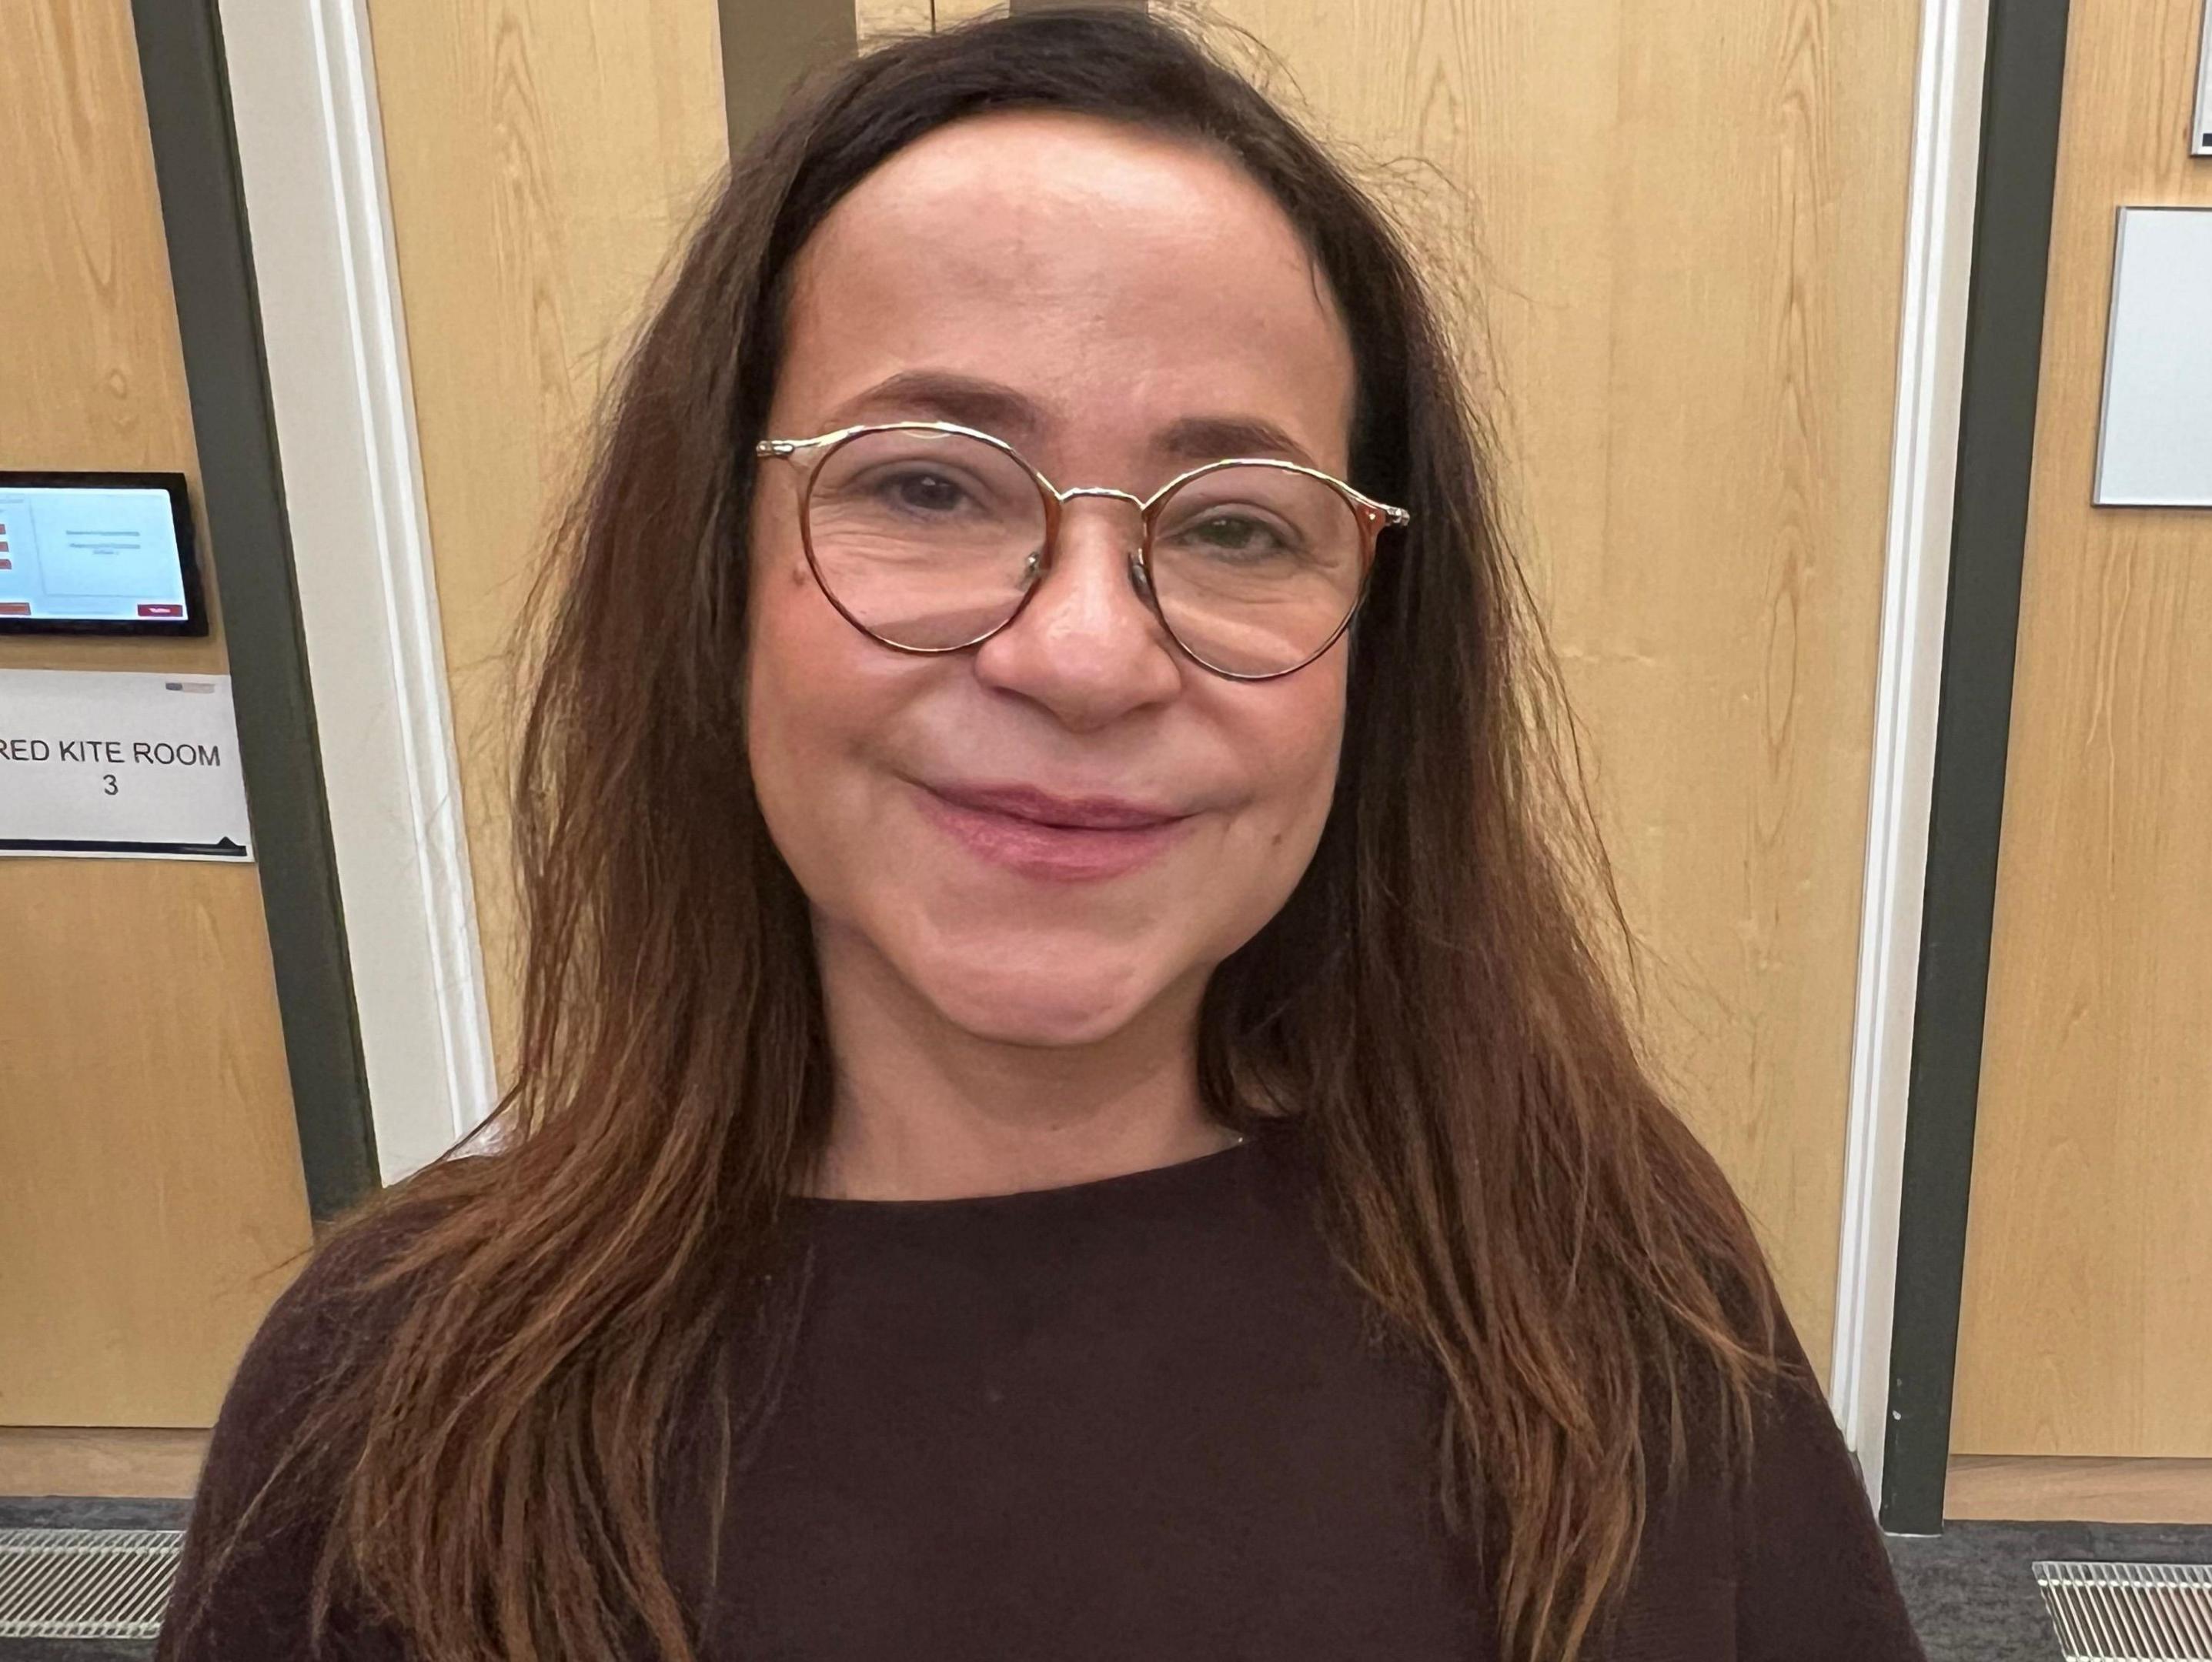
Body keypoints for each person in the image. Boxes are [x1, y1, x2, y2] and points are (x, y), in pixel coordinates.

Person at [159, 8, 1925, 1660]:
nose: (1085, 653)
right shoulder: (398, 1388)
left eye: (1238, 525)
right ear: (708, 574)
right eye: (925, 484)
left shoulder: (1606, 1278)